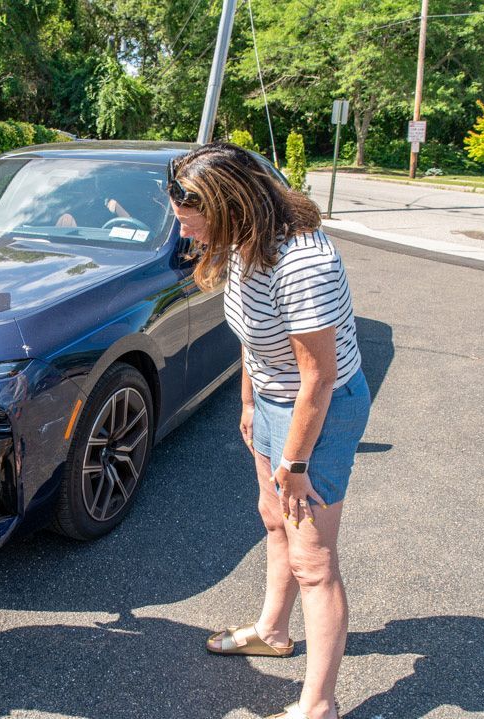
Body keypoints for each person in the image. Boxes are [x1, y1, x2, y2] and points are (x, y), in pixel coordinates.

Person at [167, 144, 370, 719]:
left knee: (314, 563)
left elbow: (319, 378)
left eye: (189, 220)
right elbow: (253, 338)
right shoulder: (242, 243)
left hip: (319, 412)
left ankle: (318, 706)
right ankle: (273, 632)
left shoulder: (302, 264)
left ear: (229, 206)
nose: (183, 232)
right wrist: (249, 401)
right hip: (275, 400)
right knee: (273, 519)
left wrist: (296, 463)